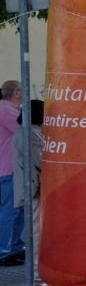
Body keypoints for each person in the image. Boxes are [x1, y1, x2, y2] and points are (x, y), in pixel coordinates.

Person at [13, 99, 43, 272]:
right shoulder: (30, 134)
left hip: (29, 187)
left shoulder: (24, 132)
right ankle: (35, 267)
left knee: (32, 225)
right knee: (35, 227)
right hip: (32, 188)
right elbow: (41, 159)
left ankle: (34, 265)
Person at [0, 80, 24, 265]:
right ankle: (4, 250)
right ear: (16, 92)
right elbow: (23, 131)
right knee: (10, 211)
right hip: (8, 168)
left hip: (12, 168)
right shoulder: (7, 110)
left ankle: (15, 247)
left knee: (17, 210)